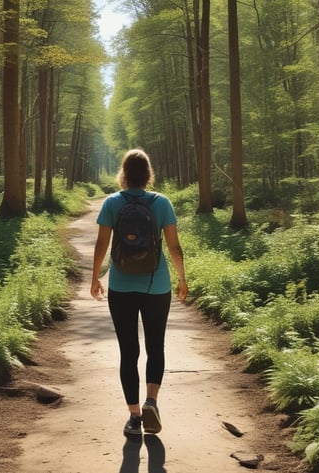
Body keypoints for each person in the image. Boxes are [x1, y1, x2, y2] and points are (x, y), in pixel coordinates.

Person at [91, 149, 188, 437]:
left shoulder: (111, 203)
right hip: (156, 286)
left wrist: (95, 277)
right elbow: (174, 247)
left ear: (123, 174)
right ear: (148, 175)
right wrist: (182, 280)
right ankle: (151, 401)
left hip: (120, 286)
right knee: (155, 346)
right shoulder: (161, 203)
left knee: (128, 350)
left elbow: (101, 246)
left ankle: (134, 417)